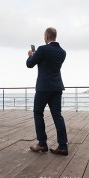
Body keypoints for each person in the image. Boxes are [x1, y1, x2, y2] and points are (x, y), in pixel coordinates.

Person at [26, 27, 68, 156]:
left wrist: (31, 55)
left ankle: (42, 144)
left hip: (44, 88)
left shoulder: (42, 49)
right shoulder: (62, 51)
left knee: (38, 113)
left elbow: (29, 64)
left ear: (47, 36)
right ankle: (62, 146)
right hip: (57, 87)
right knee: (57, 116)